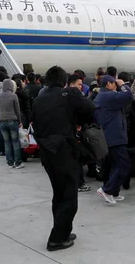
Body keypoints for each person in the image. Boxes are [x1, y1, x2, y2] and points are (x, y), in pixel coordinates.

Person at [31, 66, 96, 252]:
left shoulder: (39, 99)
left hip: (46, 152)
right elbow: (91, 108)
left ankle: (63, 230)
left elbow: (33, 121)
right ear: (63, 80)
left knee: (58, 194)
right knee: (69, 196)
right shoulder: (69, 94)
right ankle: (57, 239)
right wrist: (77, 121)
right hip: (64, 150)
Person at [94, 75, 134, 204]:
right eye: (114, 84)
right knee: (123, 165)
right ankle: (107, 190)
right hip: (115, 136)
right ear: (108, 85)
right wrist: (123, 84)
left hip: (110, 135)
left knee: (115, 165)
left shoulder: (102, 96)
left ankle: (113, 191)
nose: (116, 86)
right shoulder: (108, 96)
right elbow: (128, 96)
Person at [0, 79, 24, 168]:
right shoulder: (14, 96)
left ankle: (10, 162)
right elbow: (17, 110)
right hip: (12, 120)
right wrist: (20, 121)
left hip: (2, 121)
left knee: (7, 142)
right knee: (15, 142)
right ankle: (18, 162)